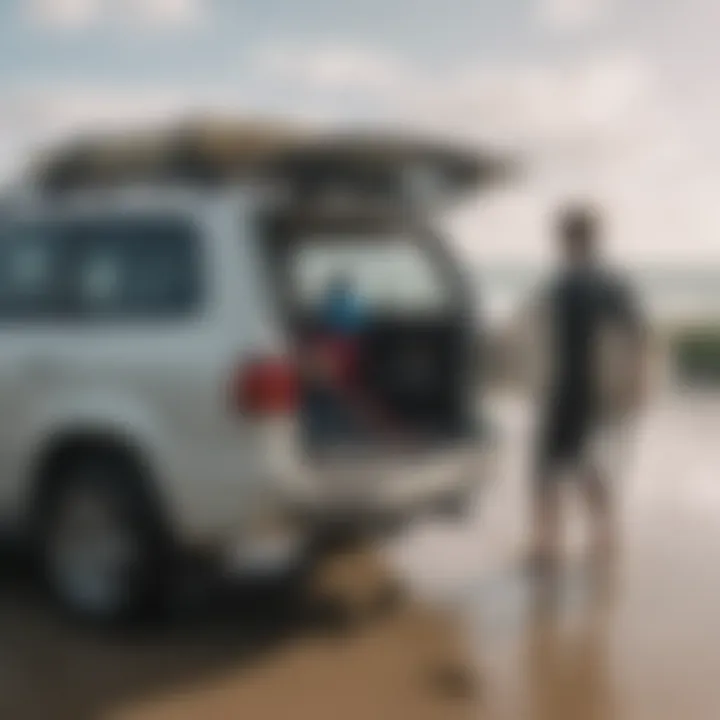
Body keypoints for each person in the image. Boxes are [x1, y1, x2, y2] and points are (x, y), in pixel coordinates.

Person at [520, 205, 649, 570]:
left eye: (564, 236)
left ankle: (551, 545)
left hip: (574, 390)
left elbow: (636, 335)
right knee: (580, 465)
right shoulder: (587, 280)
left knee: (550, 468)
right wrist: (635, 385)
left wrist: (636, 384)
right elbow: (637, 334)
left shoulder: (583, 282)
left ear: (571, 238)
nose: (561, 243)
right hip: (579, 389)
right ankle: (597, 538)